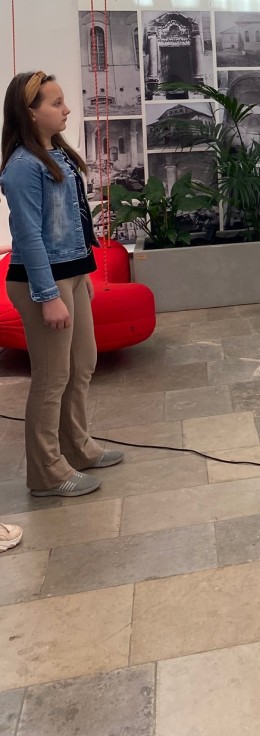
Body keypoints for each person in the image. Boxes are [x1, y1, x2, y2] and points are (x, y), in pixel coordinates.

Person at [0, 71, 124, 498]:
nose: (67, 109)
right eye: (56, 103)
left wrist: (83, 272)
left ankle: (77, 446)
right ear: (30, 113)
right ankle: (47, 472)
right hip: (42, 282)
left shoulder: (59, 155)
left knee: (82, 363)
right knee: (51, 377)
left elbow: (72, 221)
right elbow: (30, 236)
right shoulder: (22, 167)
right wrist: (49, 295)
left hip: (71, 273)